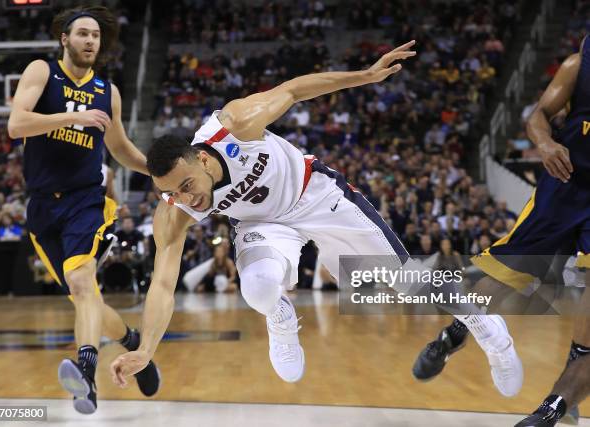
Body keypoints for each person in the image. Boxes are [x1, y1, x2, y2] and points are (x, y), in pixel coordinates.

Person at [109, 41, 521, 395]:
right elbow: (163, 283)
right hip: (262, 225)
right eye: (171, 193)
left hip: (315, 196)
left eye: (185, 185)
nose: (184, 198)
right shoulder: (175, 206)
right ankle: (281, 317)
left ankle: (491, 333)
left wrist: (365, 75)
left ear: (201, 158)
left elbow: (294, 90)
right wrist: (146, 349)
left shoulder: (235, 126)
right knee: (258, 288)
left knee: (408, 280)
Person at [413, 37, 590, 427]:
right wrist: (543, 143)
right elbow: (538, 115)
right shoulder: (578, 64)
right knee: (509, 270)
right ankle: (453, 335)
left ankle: (566, 393)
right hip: (566, 182)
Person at [7, 6, 160, 414]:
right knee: (85, 298)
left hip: (85, 202)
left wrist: (159, 173)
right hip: (41, 208)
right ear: (65, 38)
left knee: (81, 282)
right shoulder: (42, 71)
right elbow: (17, 125)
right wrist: (71, 116)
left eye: (95, 35)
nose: (91, 40)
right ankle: (132, 342)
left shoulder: (107, 91)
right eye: (83, 34)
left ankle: (86, 376)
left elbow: (122, 148)